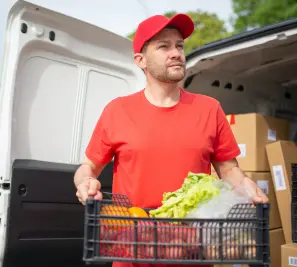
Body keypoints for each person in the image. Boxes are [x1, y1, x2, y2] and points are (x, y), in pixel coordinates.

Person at [74, 13, 269, 267]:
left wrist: (247, 186)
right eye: (163, 46)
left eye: (179, 45)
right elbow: (88, 167)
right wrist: (84, 182)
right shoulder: (117, 111)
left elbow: (229, 169)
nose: (176, 53)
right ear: (140, 60)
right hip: (132, 254)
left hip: (192, 254)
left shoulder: (209, 108)